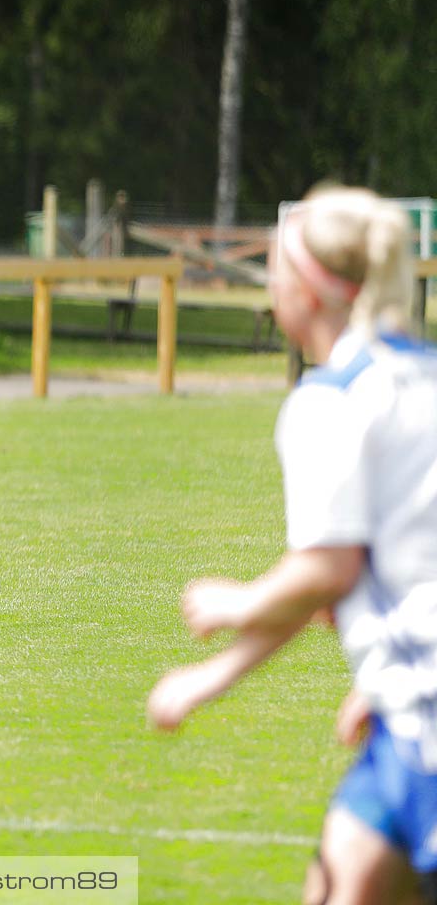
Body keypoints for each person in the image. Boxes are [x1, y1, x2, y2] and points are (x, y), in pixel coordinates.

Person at [147, 187, 437, 902]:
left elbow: (324, 571)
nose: (268, 281)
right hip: (410, 719)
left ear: (310, 291)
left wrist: (237, 602)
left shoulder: (329, 404)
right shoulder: (423, 374)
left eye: (276, 265)